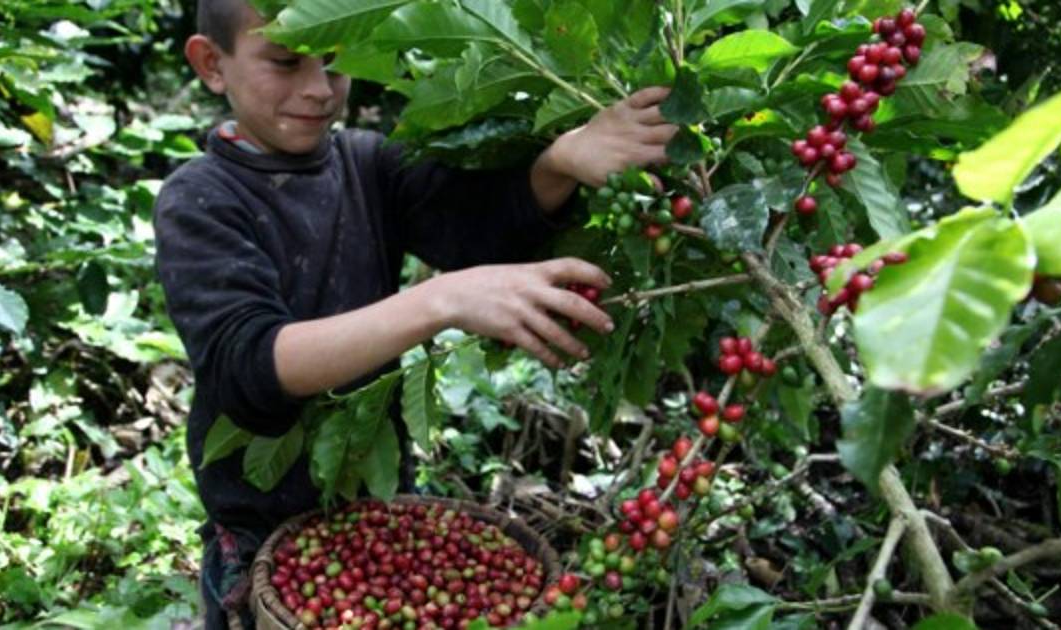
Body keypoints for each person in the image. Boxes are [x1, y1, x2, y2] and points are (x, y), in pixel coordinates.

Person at [153, 0, 677, 627]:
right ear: (212, 64)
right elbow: (251, 366)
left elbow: (469, 226)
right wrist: (438, 301)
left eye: (334, 63)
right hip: (256, 522)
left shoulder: (368, 164)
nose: (319, 89)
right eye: (286, 62)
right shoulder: (200, 200)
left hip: (379, 503)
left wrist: (561, 160)